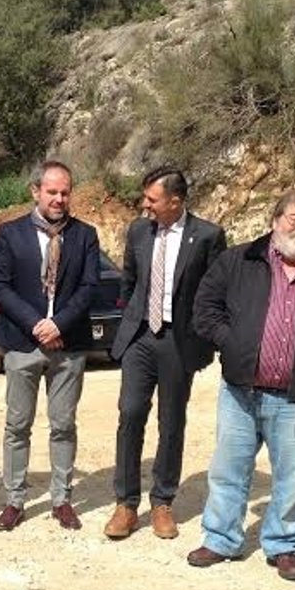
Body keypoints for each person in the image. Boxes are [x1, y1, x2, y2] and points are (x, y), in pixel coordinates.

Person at [188, 188, 295, 581]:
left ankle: (284, 545)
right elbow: (205, 306)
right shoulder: (238, 261)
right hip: (240, 391)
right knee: (228, 469)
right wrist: (230, 341)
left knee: (291, 476)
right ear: (275, 221)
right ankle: (220, 539)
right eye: (294, 220)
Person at [105, 167, 226, 540]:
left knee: (171, 421)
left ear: (175, 201)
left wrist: (205, 337)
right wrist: (130, 316)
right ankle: (126, 504)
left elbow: (216, 291)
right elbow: (128, 280)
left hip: (179, 341)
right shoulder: (139, 231)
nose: (145, 205)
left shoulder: (207, 236)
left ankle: (162, 502)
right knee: (130, 413)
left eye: (152, 199)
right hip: (140, 336)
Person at [0, 161, 99, 532]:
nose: (59, 199)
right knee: (17, 424)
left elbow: (89, 287)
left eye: (65, 192)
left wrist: (58, 324)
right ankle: (14, 500)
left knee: (63, 424)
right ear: (35, 191)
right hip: (22, 342)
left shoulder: (85, 235)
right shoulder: (11, 233)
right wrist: (37, 325)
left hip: (68, 344)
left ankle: (61, 499)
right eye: (52, 192)